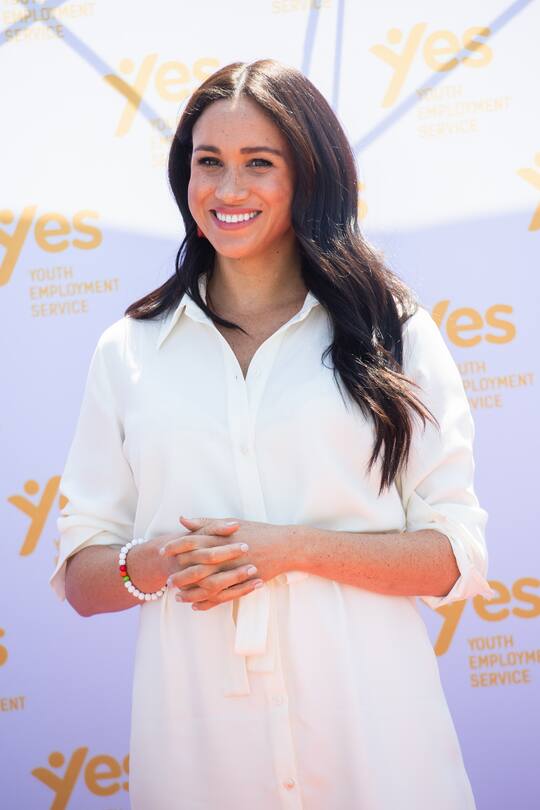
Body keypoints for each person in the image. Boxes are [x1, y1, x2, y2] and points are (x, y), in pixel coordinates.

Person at [51, 59, 495, 810]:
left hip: (378, 754)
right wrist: (156, 562)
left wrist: (290, 550)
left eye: (260, 164)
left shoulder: (397, 334)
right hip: (200, 759)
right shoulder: (127, 351)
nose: (228, 191)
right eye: (208, 163)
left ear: (309, 178)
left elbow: (455, 560)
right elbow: (81, 576)